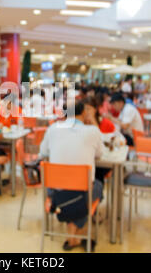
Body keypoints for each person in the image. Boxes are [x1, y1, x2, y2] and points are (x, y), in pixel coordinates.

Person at [39, 101, 103, 251]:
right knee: (97, 187)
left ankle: (72, 236)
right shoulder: (92, 131)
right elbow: (100, 154)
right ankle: (75, 236)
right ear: (83, 113)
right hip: (81, 192)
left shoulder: (53, 128)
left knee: (75, 193)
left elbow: (43, 153)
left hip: (55, 193)